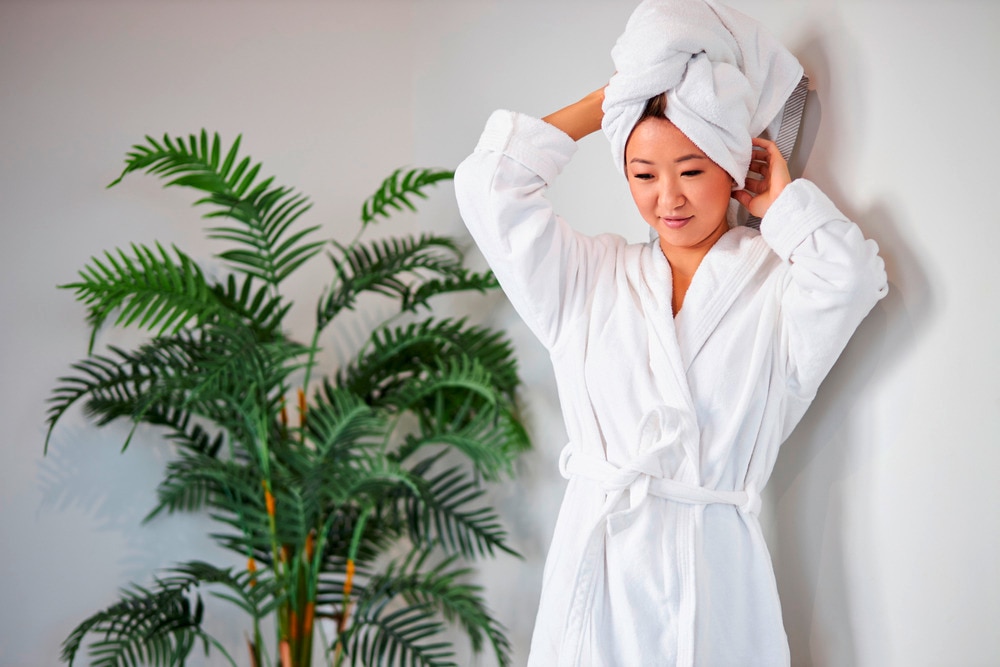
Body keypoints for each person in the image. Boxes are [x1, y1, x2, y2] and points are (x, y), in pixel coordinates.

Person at [454, 2, 888, 665]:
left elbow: (851, 277)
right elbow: (492, 184)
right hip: (597, 578)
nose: (668, 199)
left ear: (734, 165)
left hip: (715, 579)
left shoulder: (772, 288)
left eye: (690, 170)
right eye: (643, 174)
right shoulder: (588, 280)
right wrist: (621, 96)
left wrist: (783, 203)